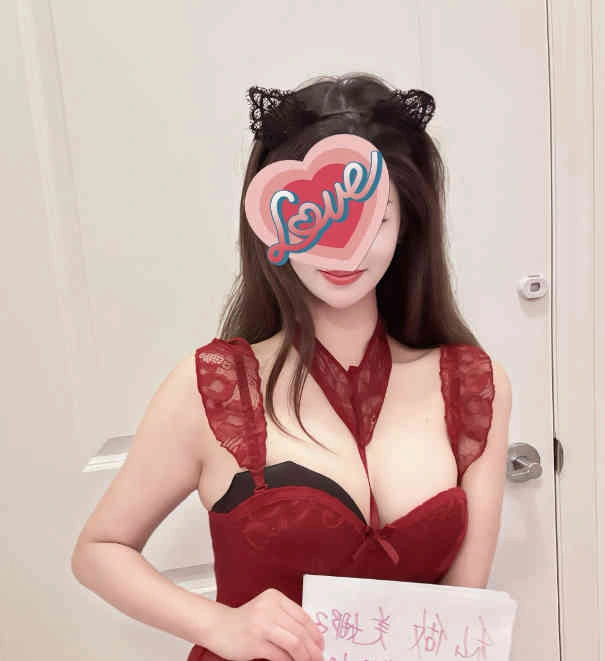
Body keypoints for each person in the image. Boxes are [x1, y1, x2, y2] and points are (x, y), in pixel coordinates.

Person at [71, 72, 512, 661]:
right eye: (316, 220)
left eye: (373, 219)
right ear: (272, 225)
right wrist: (219, 624)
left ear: (408, 221)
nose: (345, 248)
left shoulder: (472, 384)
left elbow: (462, 615)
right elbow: (99, 549)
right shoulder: (214, 388)